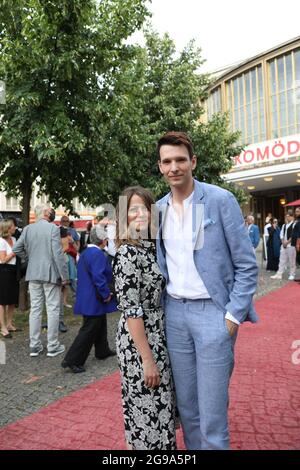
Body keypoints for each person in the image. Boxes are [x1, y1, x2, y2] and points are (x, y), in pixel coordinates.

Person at [155, 131, 258, 450]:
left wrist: (232, 316)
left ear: (193, 162)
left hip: (214, 313)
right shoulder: (158, 210)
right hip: (174, 314)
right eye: (167, 161)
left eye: (180, 160)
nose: (174, 167)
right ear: (160, 166)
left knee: (212, 415)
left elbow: (246, 263)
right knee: (188, 410)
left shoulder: (218, 199)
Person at [113, 186, 177, 450]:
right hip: (139, 343)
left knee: (160, 408)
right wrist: (147, 359)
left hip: (157, 335)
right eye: (133, 209)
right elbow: (131, 310)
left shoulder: (150, 249)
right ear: (123, 216)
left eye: (145, 208)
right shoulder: (127, 252)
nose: (140, 214)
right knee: (146, 411)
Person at [13, 204, 68, 357]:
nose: (51, 212)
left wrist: (29, 258)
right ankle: (52, 345)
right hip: (50, 273)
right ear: (45, 213)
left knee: (35, 310)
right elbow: (57, 254)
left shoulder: (28, 229)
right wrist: (64, 276)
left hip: (33, 272)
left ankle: (35, 346)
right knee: (52, 309)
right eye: (49, 210)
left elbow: (16, 249)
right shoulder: (53, 229)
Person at [62, 226, 116, 373]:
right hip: (94, 298)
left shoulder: (86, 252)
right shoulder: (97, 254)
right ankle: (73, 360)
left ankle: (102, 350)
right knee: (89, 329)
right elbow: (99, 277)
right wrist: (106, 294)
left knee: (99, 323)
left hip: (88, 296)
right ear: (103, 241)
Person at [0, 220, 19, 338]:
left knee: (12, 299)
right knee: (2, 300)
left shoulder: (15, 240)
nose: (15, 227)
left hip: (13, 271)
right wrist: (14, 253)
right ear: (8, 228)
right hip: (3, 271)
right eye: (13, 226)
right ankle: (2, 327)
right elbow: (2, 260)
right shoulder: (1, 241)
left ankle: (9, 324)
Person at [271, 210, 296, 280]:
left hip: (291, 245)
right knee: (281, 260)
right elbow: (281, 234)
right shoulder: (284, 225)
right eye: (286, 216)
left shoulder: (294, 224)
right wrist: (283, 242)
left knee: (292, 260)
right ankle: (279, 274)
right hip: (283, 245)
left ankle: (292, 274)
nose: (286, 217)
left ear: (291, 216)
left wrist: (287, 242)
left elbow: (293, 235)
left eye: (287, 216)